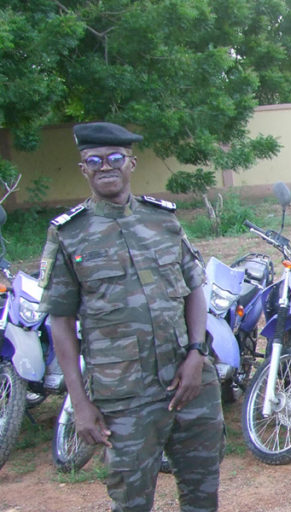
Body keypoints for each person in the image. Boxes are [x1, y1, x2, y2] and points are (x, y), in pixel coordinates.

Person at [38, 122, 223, 512]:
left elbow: (194, 290)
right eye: (95, 160)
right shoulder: (69, 235)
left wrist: (196, 353)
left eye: (115, 158)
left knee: (202, 493)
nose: (106, 166)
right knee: (131, 501)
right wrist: (79, 402)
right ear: (83, 168)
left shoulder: (163, 221)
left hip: (189, 381)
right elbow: (60, 322)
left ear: (131, 164)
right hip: (124, 396)